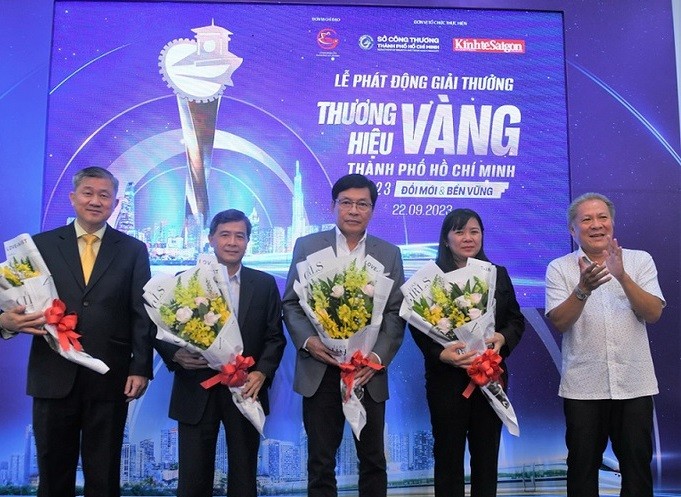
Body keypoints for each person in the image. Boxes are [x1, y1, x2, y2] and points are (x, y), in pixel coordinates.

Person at [0, 166, 153, 497]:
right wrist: (5, 322)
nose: (95, 201)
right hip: (52, 373)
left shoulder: (133, 250)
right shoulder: (38, 246)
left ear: (115, 203)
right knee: (53, 473)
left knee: (104, 472)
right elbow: (12, 301)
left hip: (109, 376)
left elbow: (142, 314)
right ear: (73, 198)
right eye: (88, 193)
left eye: (104, 195)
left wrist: (140, 368)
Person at [282, 173, 405, 497]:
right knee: (320, 464)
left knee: (373, 461)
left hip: (366, 374)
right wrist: (310, 342)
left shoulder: (388, 253)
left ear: (372, 209)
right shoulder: (307, 246)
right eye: (346, 202)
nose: (353, 210)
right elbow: (292, 304)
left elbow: (394, 313)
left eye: (362, 204)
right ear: (334, 206)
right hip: (320, 370)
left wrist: (376, 358)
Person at [155, 209, 286, 497]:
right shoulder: (185, 280)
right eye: (225, 235)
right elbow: (156, 329)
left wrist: (261, 372)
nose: (232, 242)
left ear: (248, 241)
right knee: (192, 480)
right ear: (211, 239)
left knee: (243, 478)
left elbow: (275, 337)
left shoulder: (264, 284)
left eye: (240, 236)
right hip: (196, 389)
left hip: (245, 390)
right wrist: (175, 355)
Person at [545, 192, 665, 497]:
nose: (596, 225)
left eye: (602, 218)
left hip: (634, 384)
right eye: (586, 219)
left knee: (637, 468)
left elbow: (652, 313)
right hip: (583, 386)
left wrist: (622, 276)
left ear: (612, 223)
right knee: (582, 469)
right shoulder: (560, 268)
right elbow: (560, 322)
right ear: (573, 230)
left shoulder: (639, 260)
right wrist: (582, 290)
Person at [409, 208, 525, 497]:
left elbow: (515, 320)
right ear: (446, 239)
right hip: (446, 381)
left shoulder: (498, 274)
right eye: (459, 231)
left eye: (474, 231)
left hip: (490, 376)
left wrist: (502, 337)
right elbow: (417, 326)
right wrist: (440, 353)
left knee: (486, 456)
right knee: (447, 456)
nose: (468, 237)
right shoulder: (430, 280)